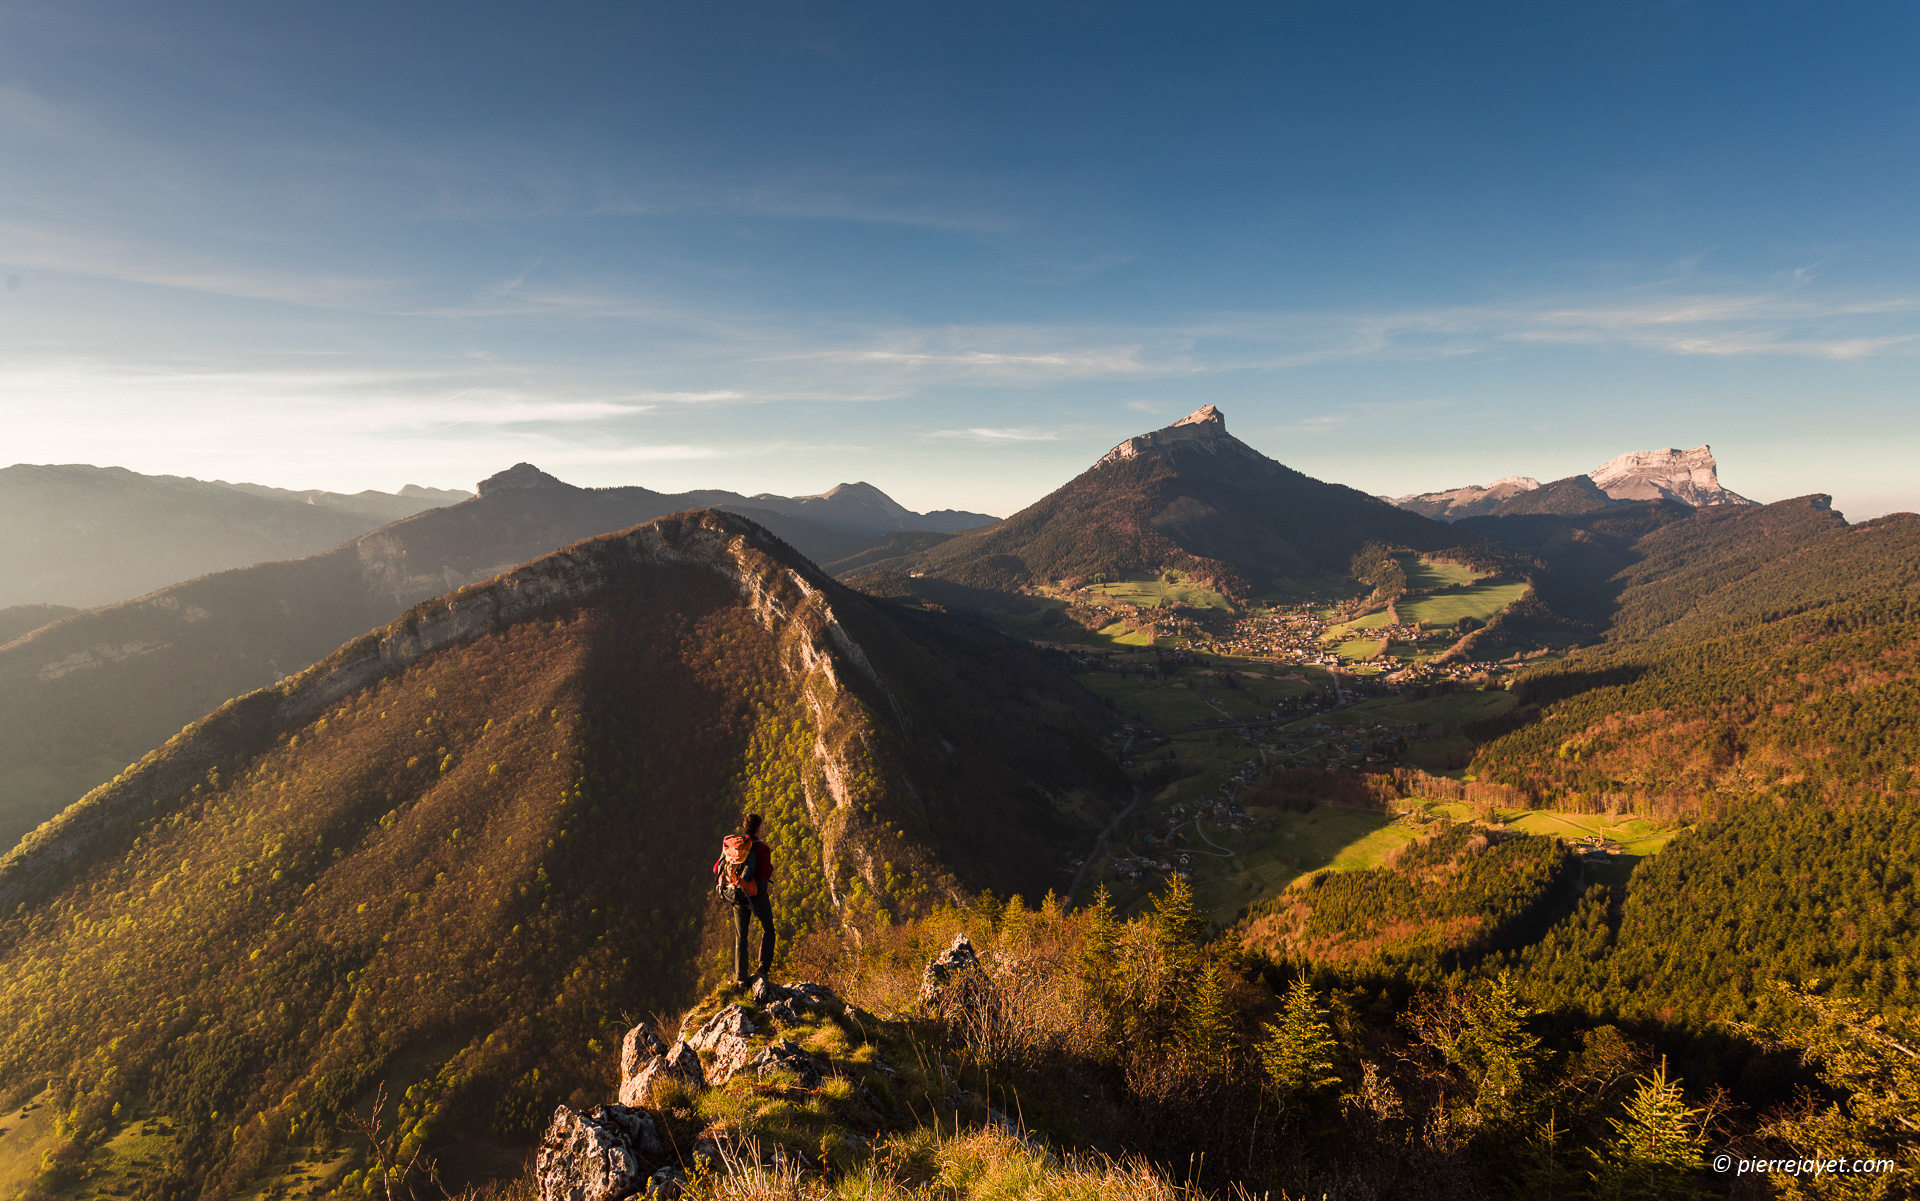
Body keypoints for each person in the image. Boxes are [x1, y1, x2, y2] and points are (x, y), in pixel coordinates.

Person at [714, 813, 775, 986]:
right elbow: (764, 875)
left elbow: (715, 869)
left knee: (741, 936)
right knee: (769, 930)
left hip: (737, 895)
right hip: (756, 896)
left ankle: (741, 978)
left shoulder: (735, 847)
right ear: (758, 828)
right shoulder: (762, 849)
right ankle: (762, 971)